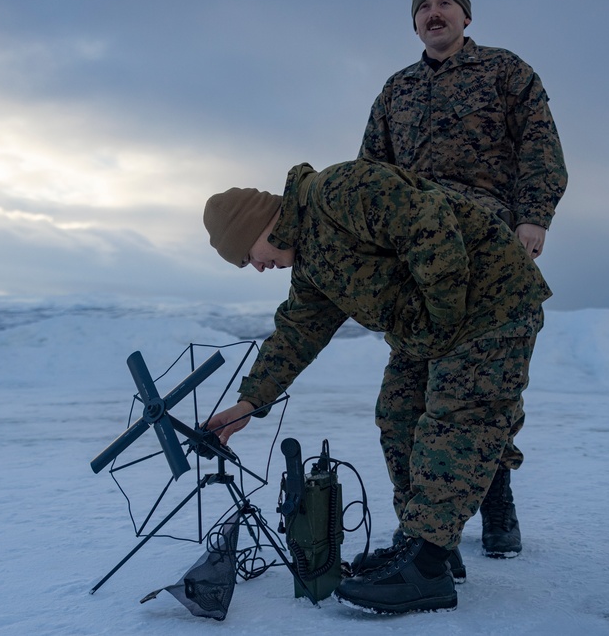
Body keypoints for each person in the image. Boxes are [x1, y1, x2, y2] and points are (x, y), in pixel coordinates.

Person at [201, 158, 550, 615]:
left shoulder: (340, 192)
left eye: (248, 256)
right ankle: (423, 544)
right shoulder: (311, 265)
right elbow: (297, 333)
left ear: (256, 226)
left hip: (490, 302)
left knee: (458, 417)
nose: (258, 267)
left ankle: (425, 568)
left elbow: (430, 223)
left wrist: (441, 321)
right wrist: (249, 403)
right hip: (432, 328)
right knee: (398, 413)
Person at [358, 0, 567, 557]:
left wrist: (534, 215)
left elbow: (540, 144)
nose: (435, 12)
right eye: (424, 6)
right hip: (417, 263)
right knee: (410, 394)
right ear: (415, 21)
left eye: (445, 3)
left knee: (480, 388)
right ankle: (427, 538)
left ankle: (496, 495)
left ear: (466, 16)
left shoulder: (505, 72)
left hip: (486, 251)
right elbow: (371, 172)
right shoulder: (395, 91)